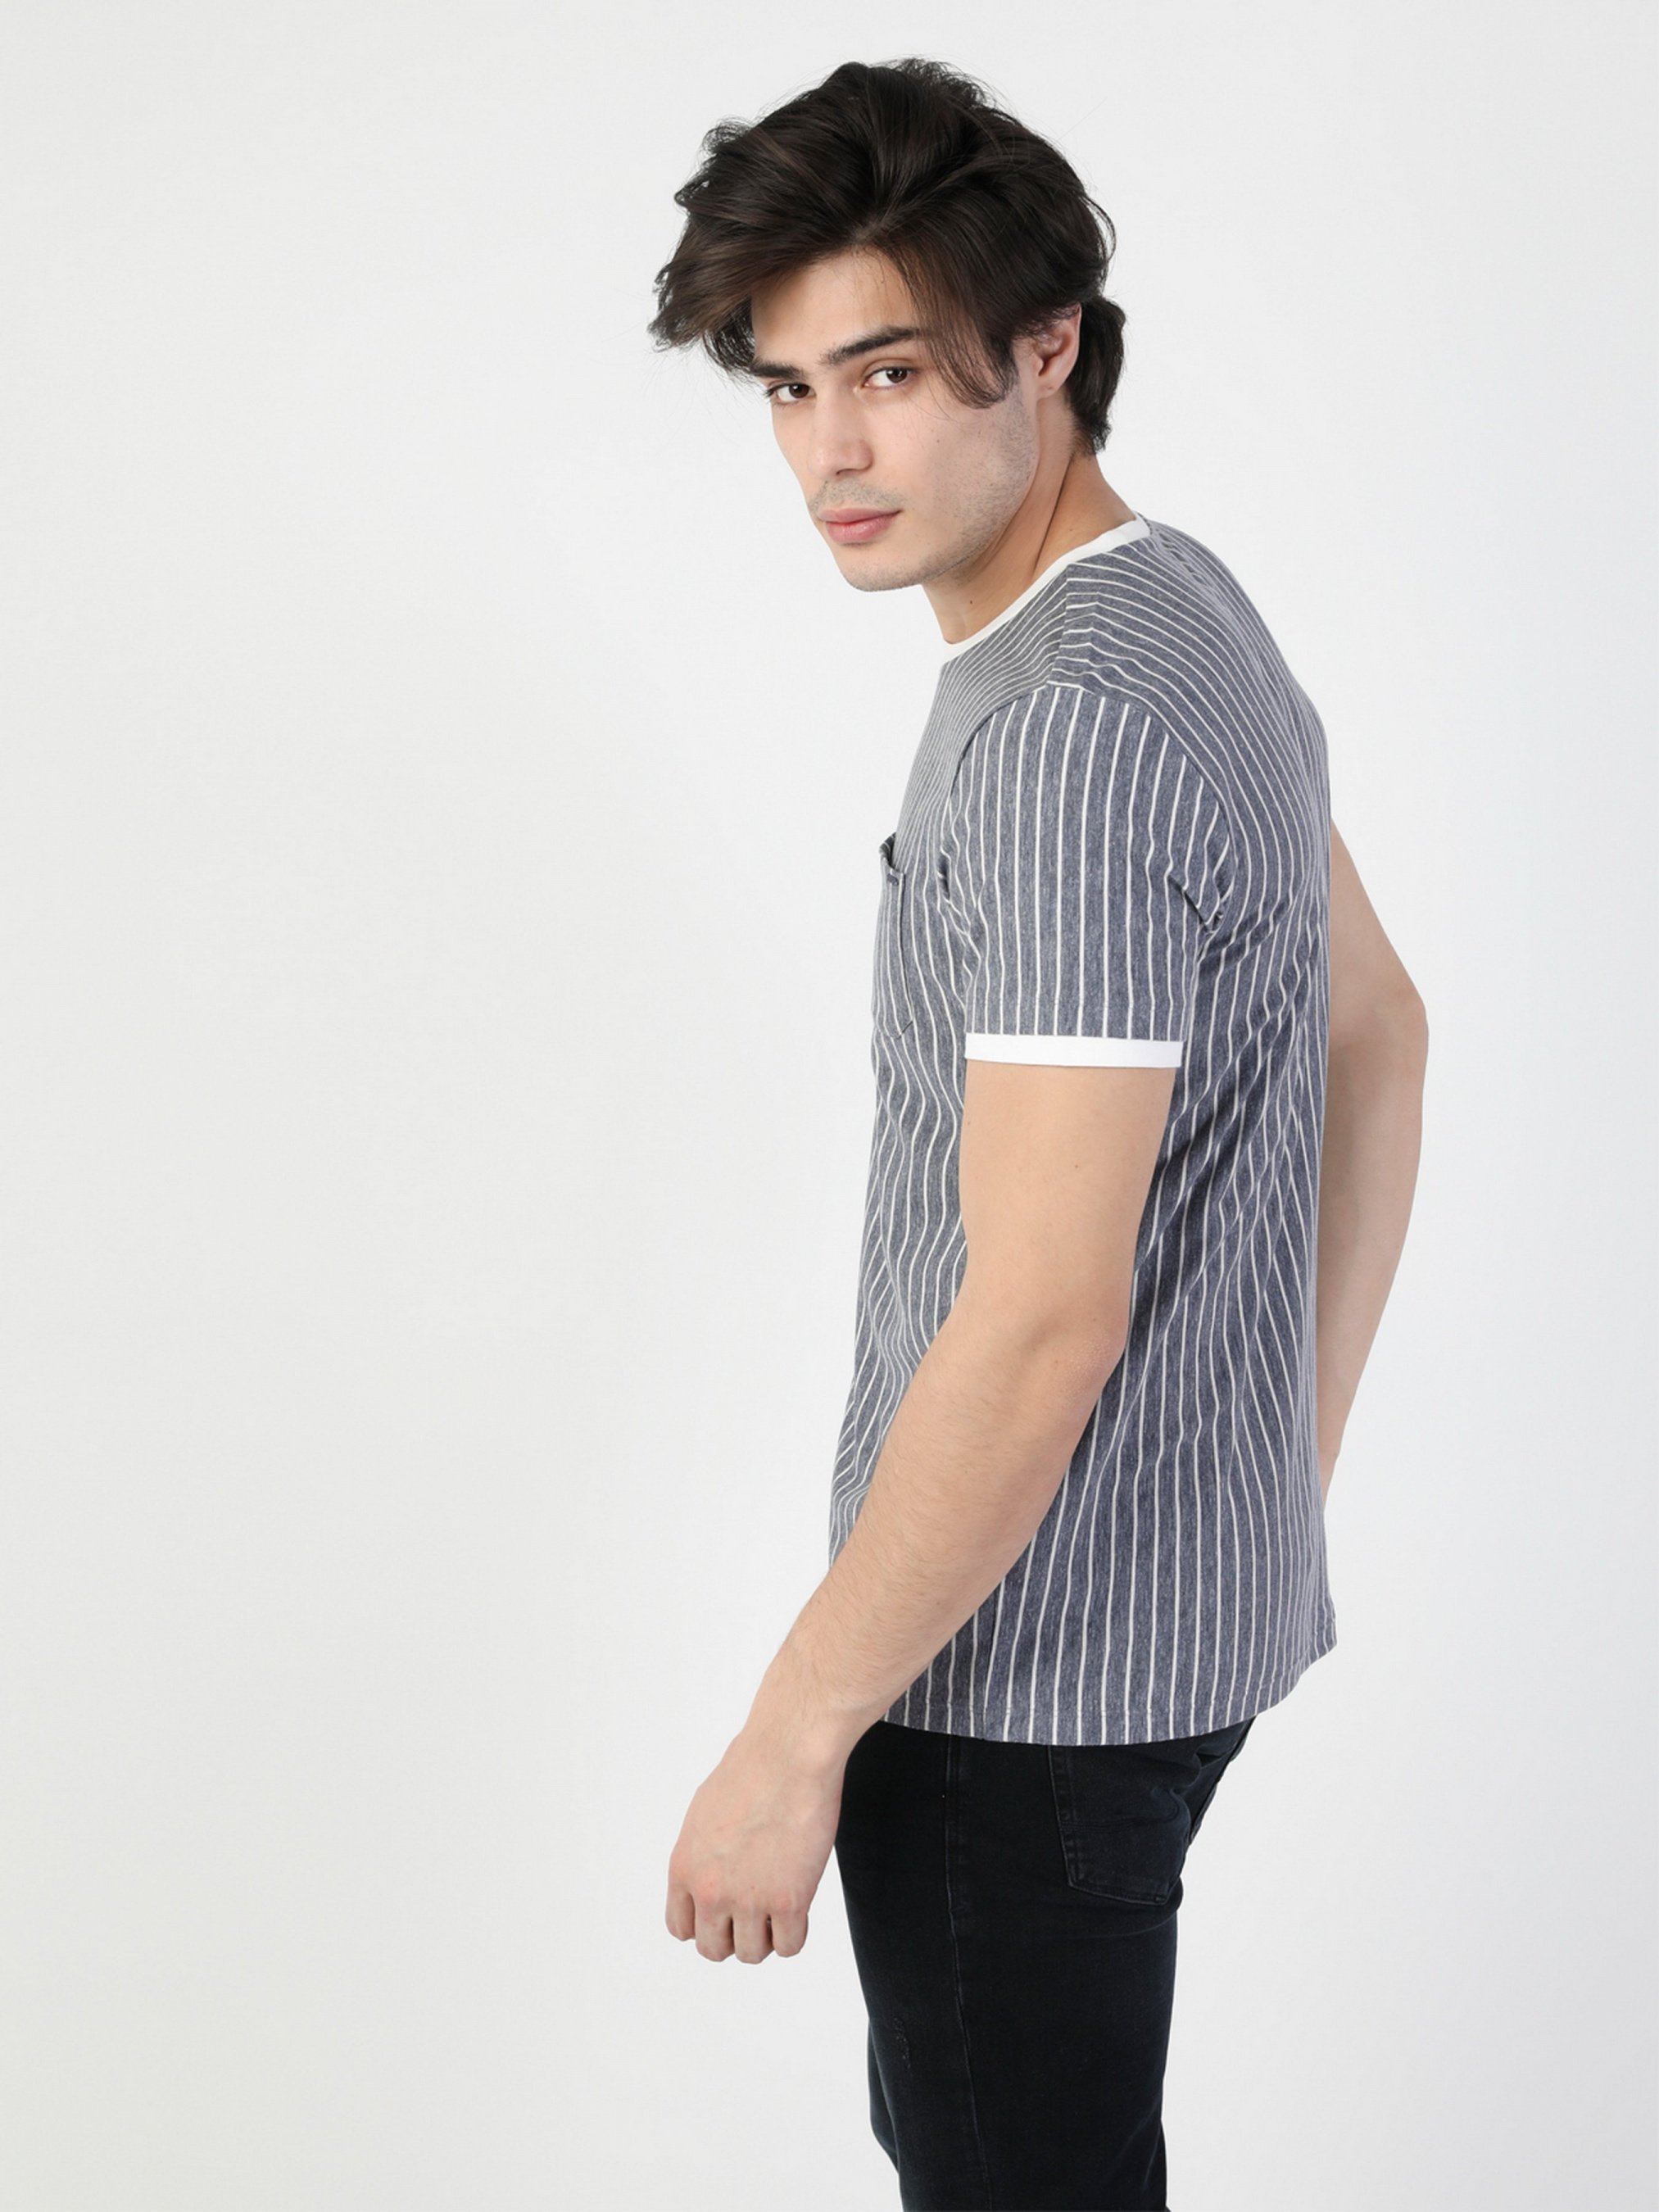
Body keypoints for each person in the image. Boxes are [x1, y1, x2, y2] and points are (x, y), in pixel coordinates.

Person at [649, 56, 1428, 2212]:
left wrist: (794, 1729)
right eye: (789, 387)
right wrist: (1268, 1469)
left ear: (1048, 342)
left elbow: (1038, 1319)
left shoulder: (1066, 733)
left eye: (889, 371)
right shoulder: (1177, 603)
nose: (830, 451)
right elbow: (1379, 1032)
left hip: (1009, 1695)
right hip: (1142, 1647)